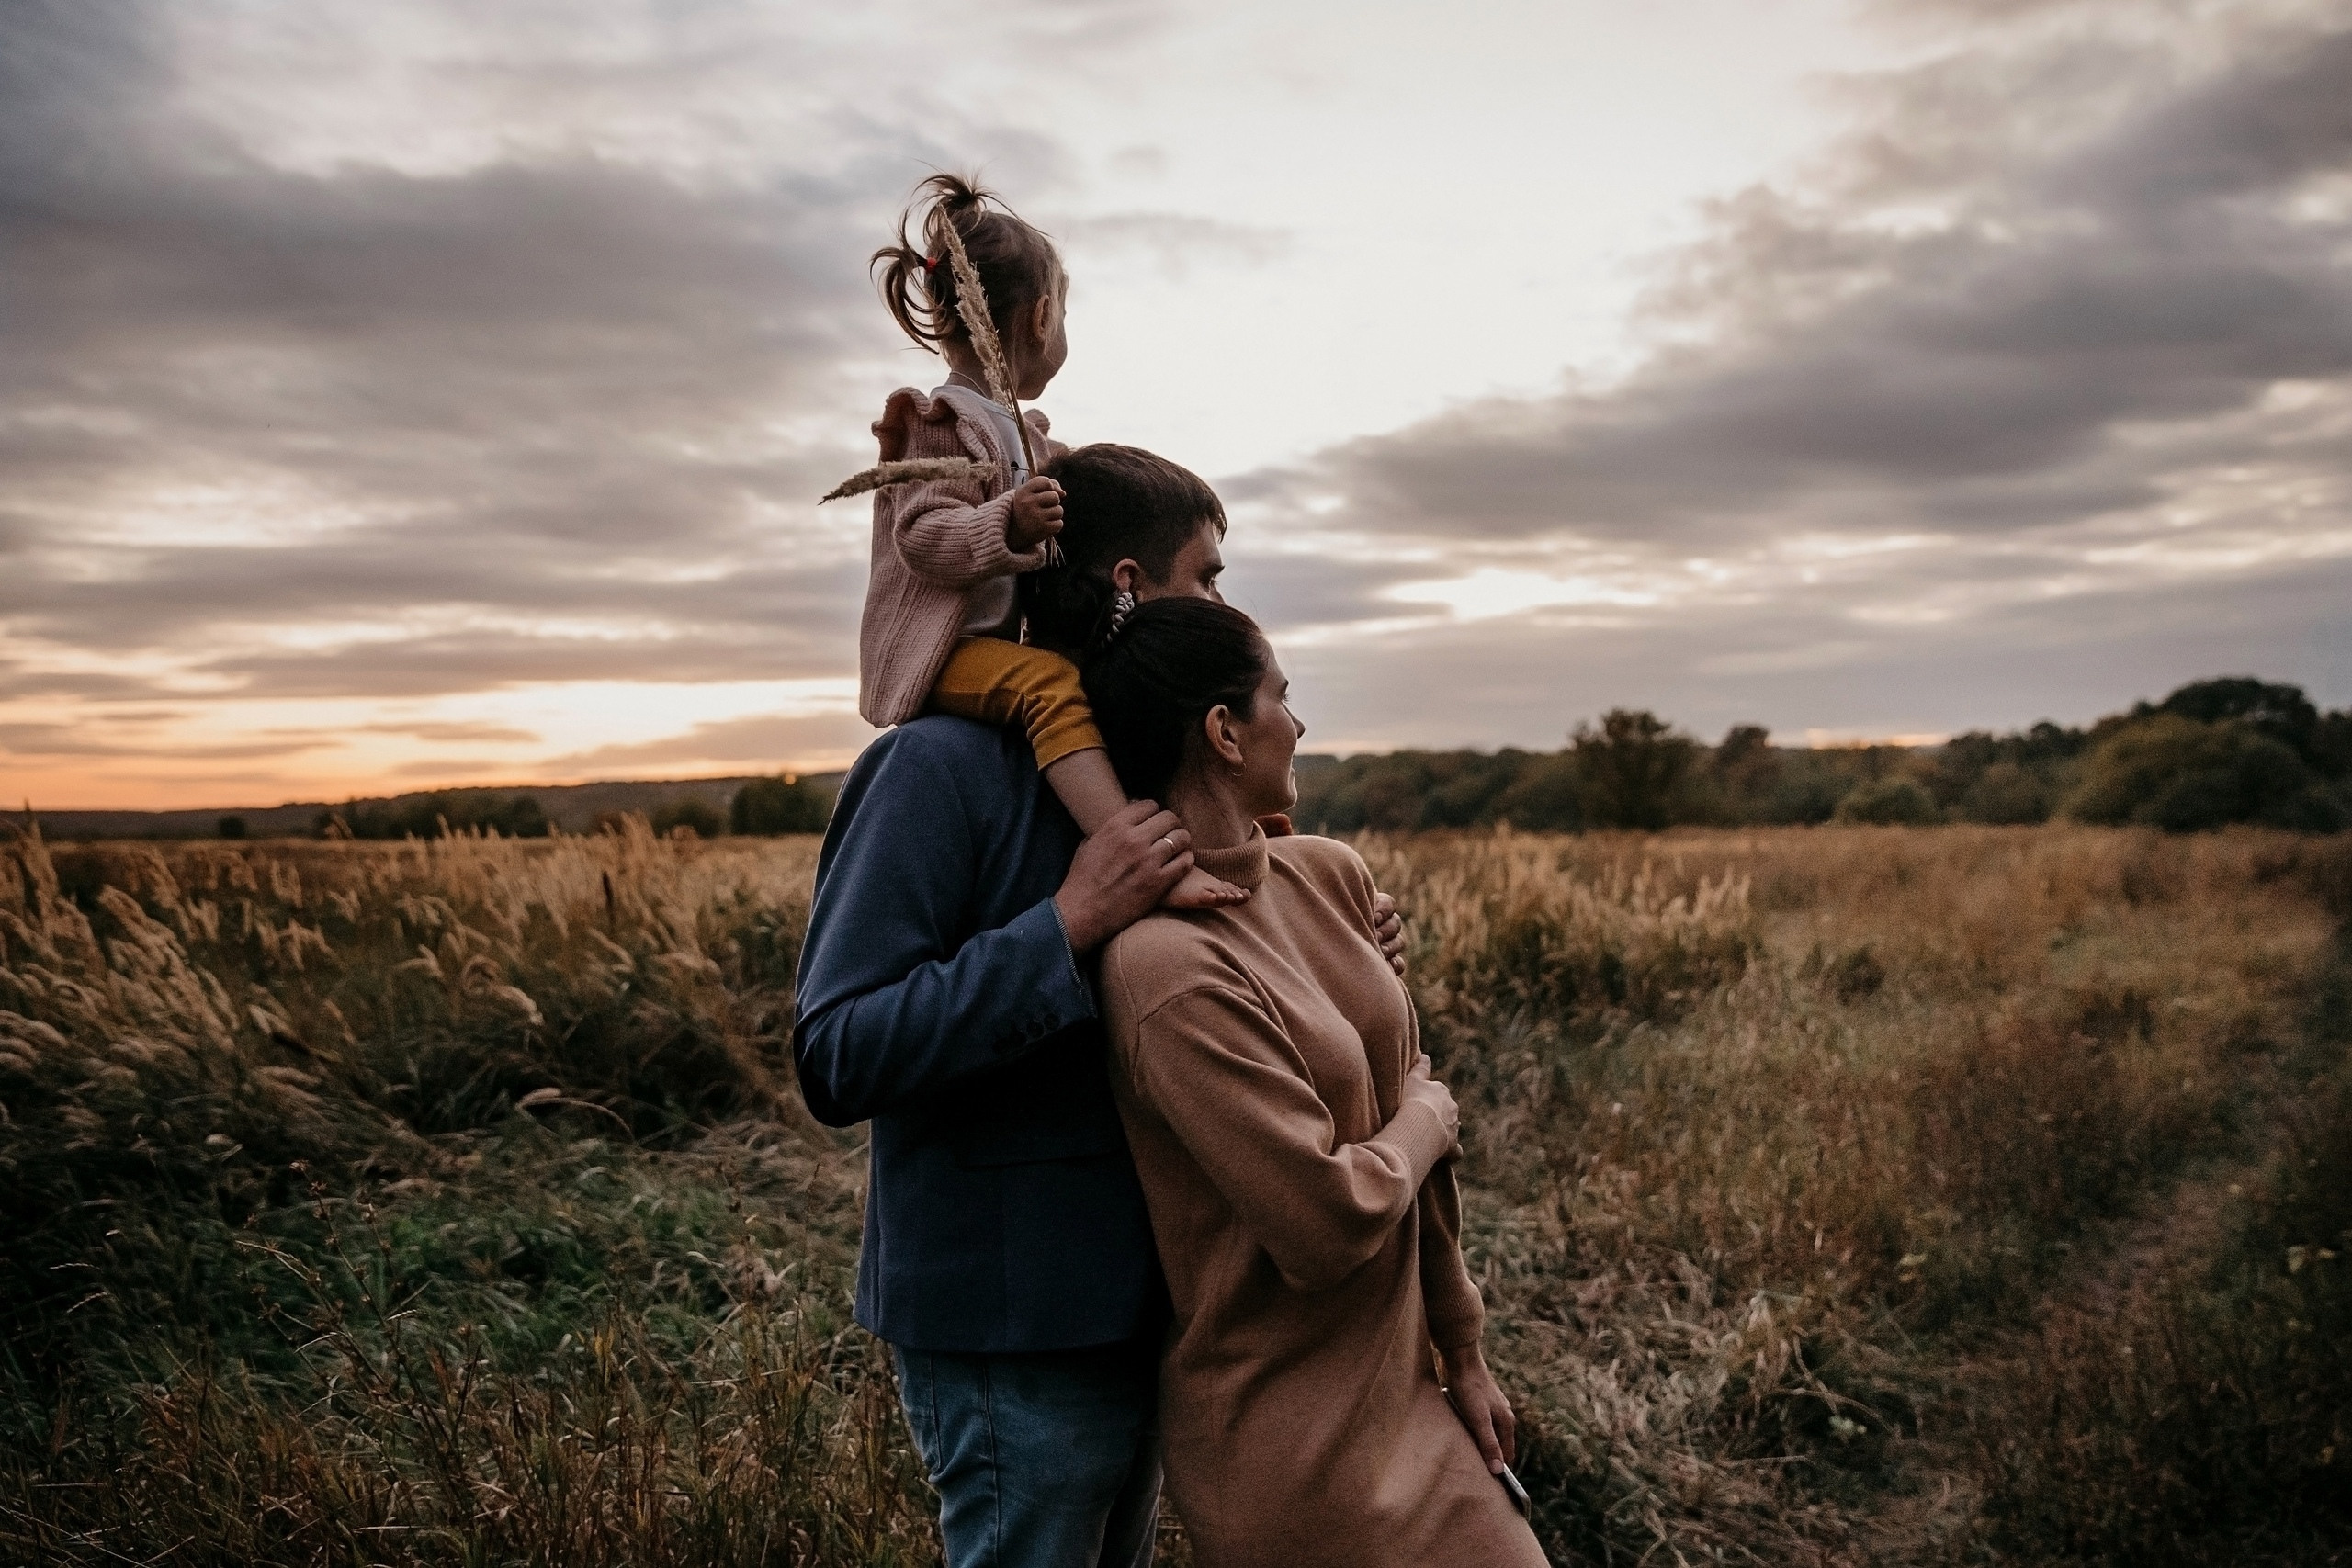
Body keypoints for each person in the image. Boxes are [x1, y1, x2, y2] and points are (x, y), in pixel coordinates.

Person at [796, 444, 1407, 1568]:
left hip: (1159, 1311)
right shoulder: (934, 767)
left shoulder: (1141, 769)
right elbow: (837, 1052)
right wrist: (1065, 924)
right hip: (1012, 1326)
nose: (1223, 604)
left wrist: (1330, 945)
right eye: (1206, 575)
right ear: (1128, 584)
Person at [1089, 597, 1549, 1568]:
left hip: (1414, 1398)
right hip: (1292, 1447)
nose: (1297, 724)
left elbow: (1411, 1130)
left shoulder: (1331, 877)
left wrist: (1463, 1349)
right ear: (1224, 732)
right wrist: (1426, 1118)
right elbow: (1321, 1224)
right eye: (1280, 697)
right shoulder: (1163, 969)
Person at [861, 173, 1242, 908]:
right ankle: (1132, 855)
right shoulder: (937, 422)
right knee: (1051, 687)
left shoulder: (1027, 437)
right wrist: (1008, 522)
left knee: (1095, 685)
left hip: (998, 644)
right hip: (943, 654)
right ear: (1041, 318)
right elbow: (920, 538)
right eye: (1064, 312)